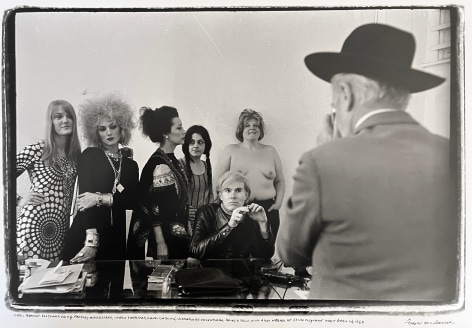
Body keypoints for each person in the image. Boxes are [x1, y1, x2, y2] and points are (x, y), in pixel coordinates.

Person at [277, 23, 458, 301]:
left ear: (346, 94)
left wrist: (328, 152)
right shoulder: (452, 155)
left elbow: (291, 253)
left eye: (334, 100)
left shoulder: (322, 162)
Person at [61, 93, 139, 262]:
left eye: (113, 126)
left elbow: (133, 201)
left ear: (122, 127)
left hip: (116, 237)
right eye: (102, 129)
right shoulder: (90, 155)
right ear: (95, 132)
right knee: (83, 286)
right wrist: (91, 241)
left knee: (114, 285)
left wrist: (100, 198)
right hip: (88, 232)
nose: (109, 133)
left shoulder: (131, 166)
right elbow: (84, 201)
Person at [16, 100, 81, 262]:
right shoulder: (36, 151)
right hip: (34, 227)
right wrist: (20, 200)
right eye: (58, 117)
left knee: (55, 283)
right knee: (32, 283)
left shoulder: (75, 156)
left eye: (69, 116)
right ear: (50, 122)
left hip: (60, 230)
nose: (65, 120)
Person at [127, 106, 190, 260]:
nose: (184, 131)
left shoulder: (172, 160)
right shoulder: (159, 164)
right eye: (179, 127)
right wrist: (161, 242)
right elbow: (154, 208)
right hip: (164, 239)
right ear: (165, 133)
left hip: (175, 233)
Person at [214, 109, 285, 239]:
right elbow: (218, 182)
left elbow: (279, 181)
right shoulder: (231, 150)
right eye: (247, 125)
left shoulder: (271, 151)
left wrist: (278, 203)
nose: (252, 128)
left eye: (256, 125)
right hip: (239, 208)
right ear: (241, 129)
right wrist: (223, 208)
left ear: (261, 130)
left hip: (268, 209)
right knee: (239, 251)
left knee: (265, 250)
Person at [190, 171, 274, 260]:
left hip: (240, 271)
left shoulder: (252, 214)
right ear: (220, 195)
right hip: (211, 270)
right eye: (227, 190)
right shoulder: (206, 212)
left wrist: (263, 224)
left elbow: (265, 255)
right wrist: (229, 226)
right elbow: (195, 251)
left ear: (246, 195)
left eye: (238, 190)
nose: (233, 196)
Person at [179, 125, 214, 235]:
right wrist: (184, 211)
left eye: (200, 142)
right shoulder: (179, 165)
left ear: (206, 145)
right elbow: (174, 197)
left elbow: (210, 194)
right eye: (191, 142)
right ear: (186, 145)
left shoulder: (207, 166)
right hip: (184, 222)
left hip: (203, 222)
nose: (196, 146)